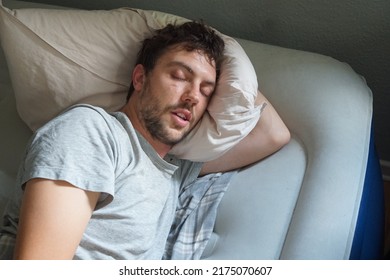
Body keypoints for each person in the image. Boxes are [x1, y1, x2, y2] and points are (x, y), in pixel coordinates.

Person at [0, 21, 290, 260]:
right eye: (179, 75)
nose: (192, 96)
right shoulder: (92, 132)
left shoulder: (177, 170)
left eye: (206, 90)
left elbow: (272, 134)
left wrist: (223, 49)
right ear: (139, 78)